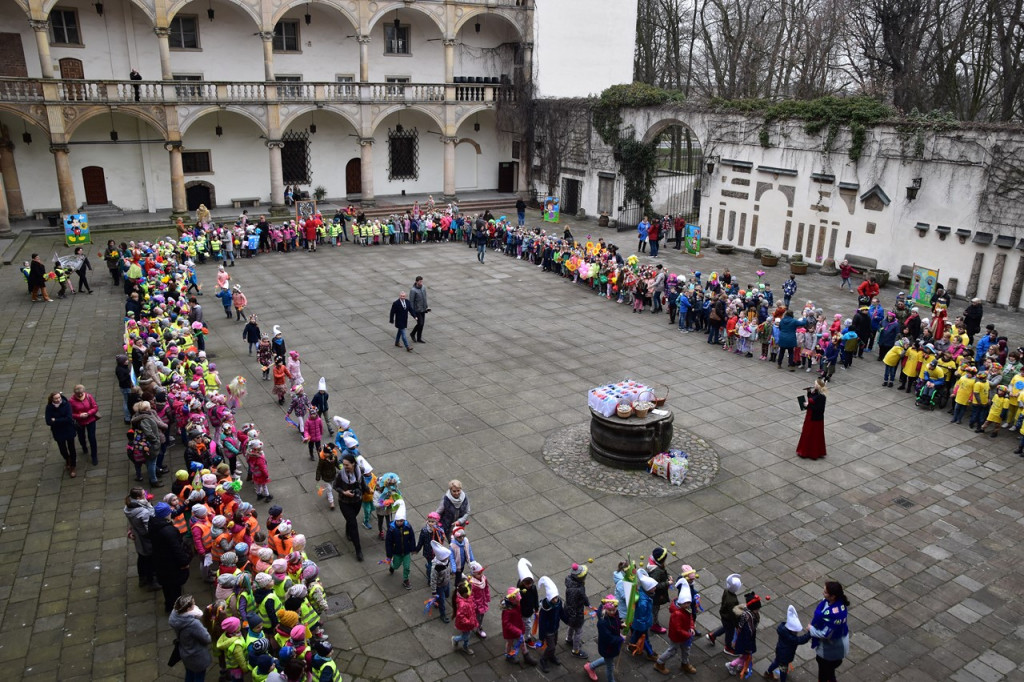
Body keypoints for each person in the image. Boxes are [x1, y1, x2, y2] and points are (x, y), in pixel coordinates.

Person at [150, 502, 191, 612]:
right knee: (175, 589)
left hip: (160, 562)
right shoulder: (169, 531)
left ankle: (169, 605)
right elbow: (176, 549)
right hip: (171, 565)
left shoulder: (153, 524)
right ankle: (177, 608)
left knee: (166, 587)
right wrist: (184, 562)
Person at [809, 582, 850, 682]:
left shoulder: (835, 615)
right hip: (834, 648)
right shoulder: (832, 602)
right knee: (828, 672)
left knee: (825, 672)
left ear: (833, 596)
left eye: (825, 592)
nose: (823, 593)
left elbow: (826, 634)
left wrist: (811, 629)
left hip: (832, 650)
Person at [169, 595, 213, 682]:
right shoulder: (193, 624)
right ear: (188, 609)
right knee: (199, 677)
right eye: (193, 604)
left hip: (185, 652)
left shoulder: (175, 617)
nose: (195, 605)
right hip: (197, 655)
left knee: (189, 673)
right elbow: (207, 639)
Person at [763, 605, 811, 682]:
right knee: (783, 670)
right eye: (796, 631)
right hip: (785, 656)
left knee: (776, 662)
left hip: (780, 651)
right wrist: (810, 633)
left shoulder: (783, 629)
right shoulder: (791, 638)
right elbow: (801, 640)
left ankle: (768, 672)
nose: (797, 633)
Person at [332, 454, 366, 561]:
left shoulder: (359, 471)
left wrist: (368, 491)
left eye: (347, 465)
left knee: (351, 519)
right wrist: (344, 492)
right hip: (345, 502)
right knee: (353, 523)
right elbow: (335, 486)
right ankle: (358, 550)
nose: (345, 467)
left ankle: (348, 529)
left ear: (353, 464)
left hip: (357, 500)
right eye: (344, 464)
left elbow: (363, 484)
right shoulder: (340, 475)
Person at [124, 487, 158, 590]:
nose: (146, 495)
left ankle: (142, 578)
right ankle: (151, 582)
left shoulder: (128, 507)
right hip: (146, 539)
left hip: (137, 536)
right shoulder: (143, 512)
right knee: (149, 560)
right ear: (138, 497)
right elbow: (149, 527)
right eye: (144, 494)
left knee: (142, 558)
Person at [584, 596, 623, 681]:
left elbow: (616, 622)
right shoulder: (603, 623)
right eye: (610, 610)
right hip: (607, 647)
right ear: (605, 609)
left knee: (608, 660)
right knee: (610, 667)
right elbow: (608, 638)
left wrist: (620, 625)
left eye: (614, 610)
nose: (612, 612)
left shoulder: (614, 614)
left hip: (611, 647)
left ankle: (590, 667)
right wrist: (620, 639)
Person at [45, 391, 78, 477]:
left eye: (59, 398)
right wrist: (61, 420)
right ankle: (67, 459)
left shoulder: (66, 404)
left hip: (68, 429)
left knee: (72, 448)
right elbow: (48, 421)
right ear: (52, 399)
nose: (58, 399)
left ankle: (73, 466)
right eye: (56, 398)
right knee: (62, 449)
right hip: (58, 431)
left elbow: (69, 418)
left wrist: (55, 420)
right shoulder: (49, 407)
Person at [796, 379, 828, 459]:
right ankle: (805, 451)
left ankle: (812, 453)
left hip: (815, 419)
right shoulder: (815, 392)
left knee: (813, 434)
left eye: (815, 384)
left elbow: (819, 409)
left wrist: (808, 405)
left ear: (818, 386)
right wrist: (809, 391)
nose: (814, 385)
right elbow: (811, 399)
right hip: (810, 416)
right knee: (807, 433)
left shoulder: (821, 397)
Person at [69, 384, 99, 465]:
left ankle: (94, 456)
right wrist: (79, 416)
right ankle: (84, 446)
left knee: (92, 438)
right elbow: (70, 414)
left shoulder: (89, 397)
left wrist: (89, 413)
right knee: (81, 437)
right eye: (78, 394)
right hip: (80, 422)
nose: (80, 395)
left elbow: (95, 407)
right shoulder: (71, 401)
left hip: (91, 420)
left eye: (81, 393)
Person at [409, 276, 430, 343]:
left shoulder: (423, 288)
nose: (421, 283)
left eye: (422, 281)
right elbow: (411, 301)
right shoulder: (413, 290)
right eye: (420, 281)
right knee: (420, 323)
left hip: (423, 309)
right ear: (416, 282)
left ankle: (419, 338)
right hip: (417, 310)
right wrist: (412, 312)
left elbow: (425, 297)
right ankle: (412, 334)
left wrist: (426, 306)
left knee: (422, 324)